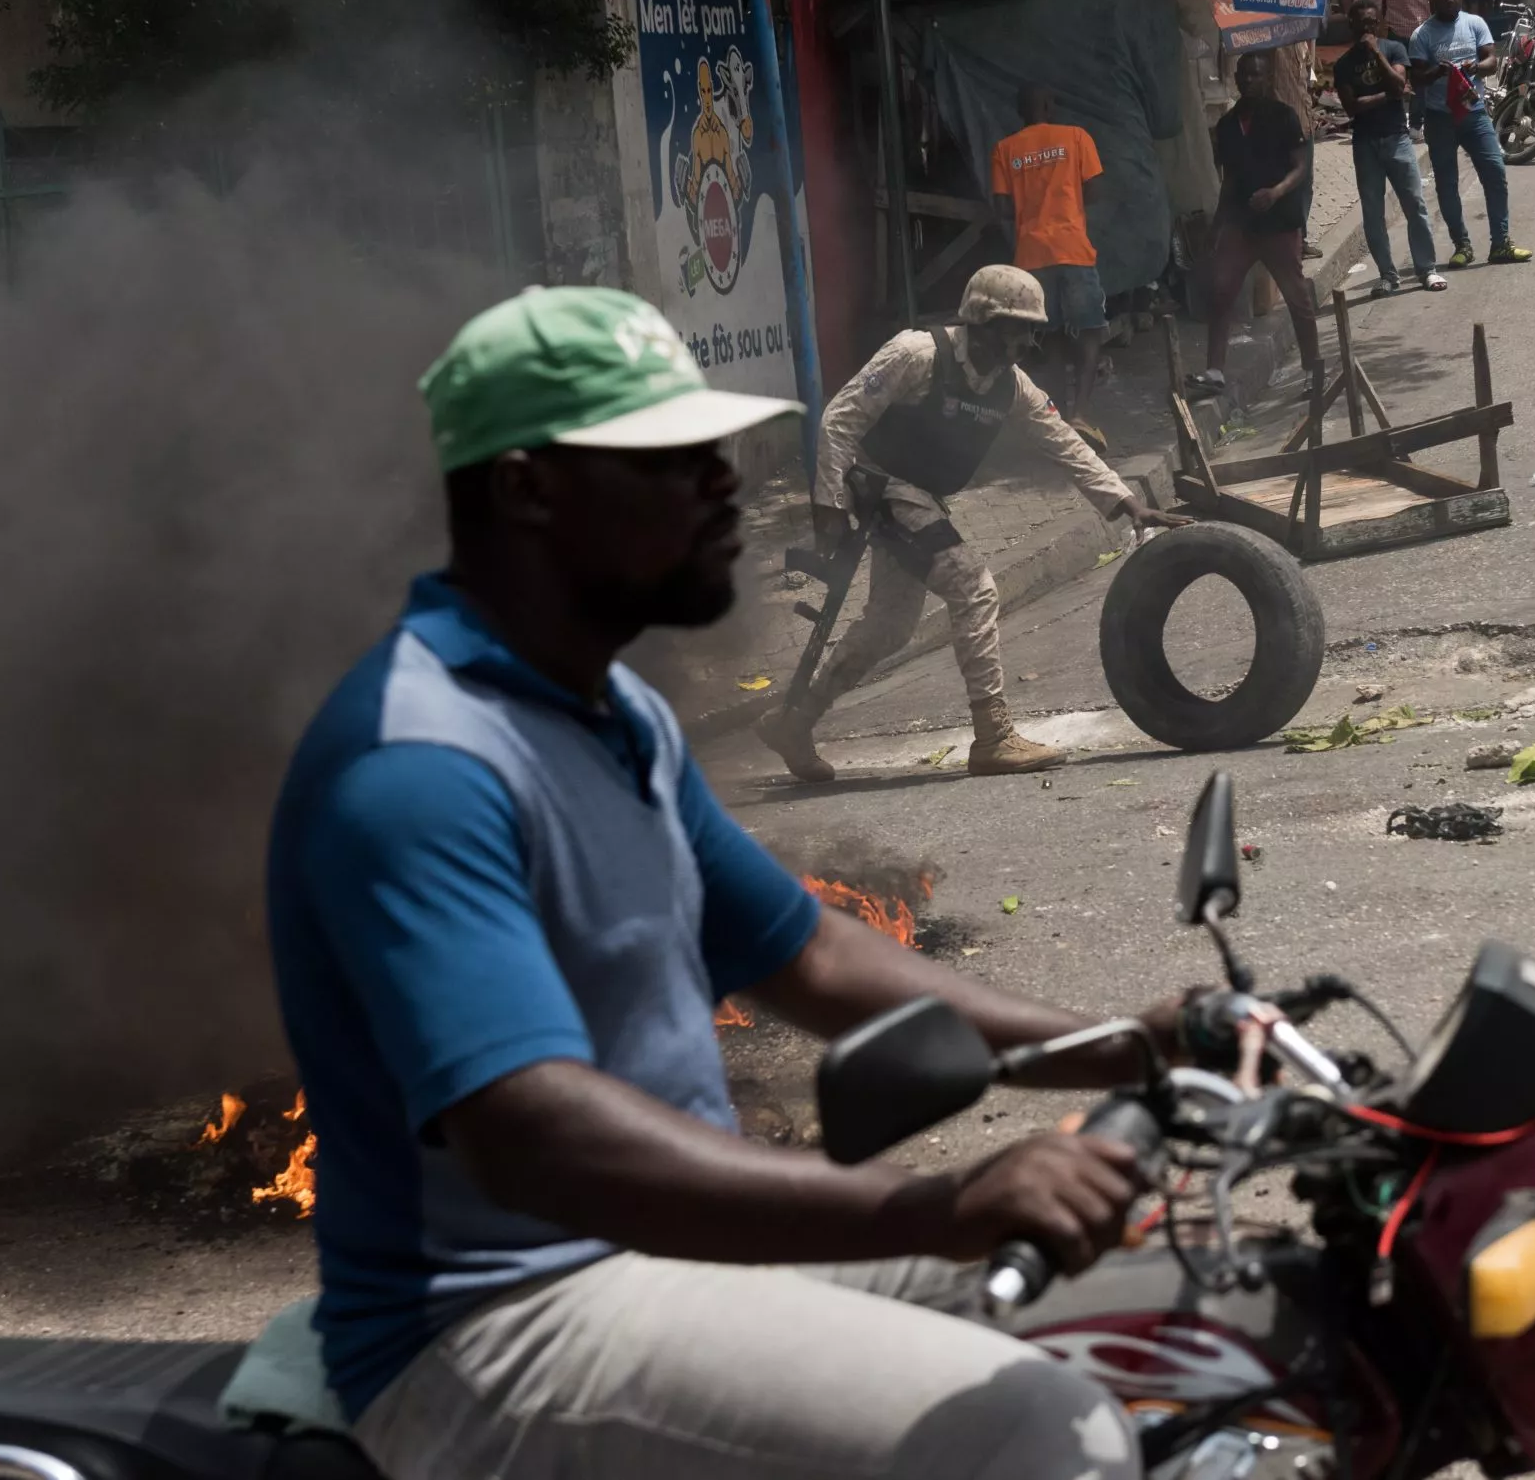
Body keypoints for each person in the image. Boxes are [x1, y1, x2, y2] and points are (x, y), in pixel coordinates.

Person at [268, 281, 1188, 1480]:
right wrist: (929, 1204)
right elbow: (537, 1138)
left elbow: (803, 952)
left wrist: (1125, 1043)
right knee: (1031, 1428)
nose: (721, 482)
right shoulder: (419, 763)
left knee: (1155, 1313)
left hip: (667, 1260)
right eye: (669, 457)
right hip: (499, 1322)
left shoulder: (616, 714)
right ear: (526, 488)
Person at [762, 267, 1187, 779]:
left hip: (922, 499)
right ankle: (993, 736)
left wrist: (1126, 503)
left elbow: (1064, 442)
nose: (1028, 341)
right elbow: (841, 418)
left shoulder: (1011, 386)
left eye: (1032, 330)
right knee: (975, 589)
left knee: (890, 628)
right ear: (984, 321)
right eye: (1019, 328)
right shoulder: (916, 354)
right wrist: (828, 503)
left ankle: (796, 719)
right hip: (882, 488)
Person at [1190, 49, 1319, 398]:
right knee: (1221, 291)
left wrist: (1275, 193)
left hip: (1278, 223)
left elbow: (1300, 167)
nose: (1248, 80)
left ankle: (1312, 370)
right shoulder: (1228, 126)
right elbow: (1229, 180)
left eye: (1256, 75)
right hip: (1241, 224)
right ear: (1235, 79)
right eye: (1243, 75)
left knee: (1296, 297)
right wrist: (1217, 228)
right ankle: (1215, 371)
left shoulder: (1284, 117)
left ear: (1267, 79)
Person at [989, 83, 1108, 447]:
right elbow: (1096, 190)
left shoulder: (1005, 149)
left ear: (1020, 110)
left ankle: (1056, 422)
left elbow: (1003, 208)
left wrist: (1033, 204)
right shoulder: (1076, 138)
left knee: (1050, 337)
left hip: (1032, 258)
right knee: (1089, 333)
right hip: (1073, 250)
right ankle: (1081, 416)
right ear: (1049, 105)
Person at [1407, 0, 1532, 267]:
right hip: (1440, 119)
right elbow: (1417, 79)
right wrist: (1438, 71)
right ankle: (1461, 245)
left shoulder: (1475, 23)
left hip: (1474, 115)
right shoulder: (1421, 35)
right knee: (1447, 185)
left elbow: (1491, 59)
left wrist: (1474, 66)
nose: (1451, 0)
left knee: (1495, 174)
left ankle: (1500, 243)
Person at [1332, 0, 1445, 295]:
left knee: (1414, 205)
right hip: (1365, 144)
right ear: (1352, 26)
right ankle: (1387, 275)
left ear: (1379, 23)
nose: (1366, 28)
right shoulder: (1344, 65)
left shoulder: (1394, 49)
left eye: (1372, 22)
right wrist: (1390, 96)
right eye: (1361, 23)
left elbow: (1398, 84)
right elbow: (1353, 107)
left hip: (1397, 138)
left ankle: (1427, 269)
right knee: (1373, 214)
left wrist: (1377, 56)